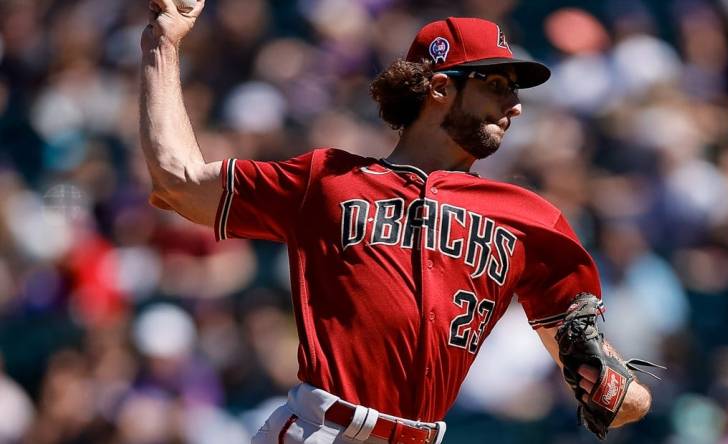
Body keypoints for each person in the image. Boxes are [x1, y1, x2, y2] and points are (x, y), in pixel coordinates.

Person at [140, 1, 654, 442]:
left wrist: (624, 393)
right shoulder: (328, 180)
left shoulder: (531, 219)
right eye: (496, 84)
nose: (515, 106)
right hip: (325, 430)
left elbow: (615, 390)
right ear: (438, 88)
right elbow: (177, 180)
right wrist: (163, 43)